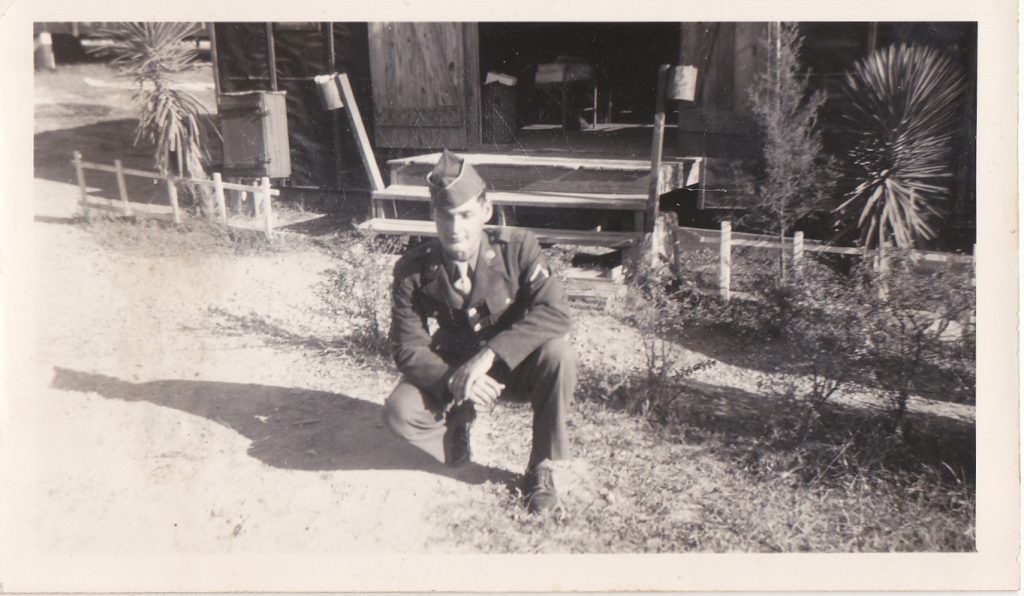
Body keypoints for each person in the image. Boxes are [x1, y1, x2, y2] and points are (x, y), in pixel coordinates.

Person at [383, 149, 576, 513]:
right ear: (432, 216)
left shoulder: (517, 248)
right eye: (445, 216)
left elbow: (555, 312)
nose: (455, 229)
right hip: (454, 371)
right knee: (399, 411)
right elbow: (407, 348)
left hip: (514, 368)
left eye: (466, 215)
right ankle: (457, 425)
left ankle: (541, 466)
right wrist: (458, 378)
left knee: (559, 354)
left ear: (486, 212)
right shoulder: (412, 269)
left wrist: (487, 357)